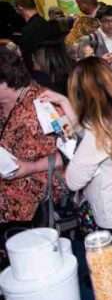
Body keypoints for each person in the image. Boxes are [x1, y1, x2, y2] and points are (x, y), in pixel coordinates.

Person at [37, 57, 112, 233]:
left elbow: (73, 181)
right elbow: (87, 133)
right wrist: (63, 102)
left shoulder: (103, 130)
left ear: (80, 95)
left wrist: (71, 153)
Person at [0, 47, 64, 223]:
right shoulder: (4, 104)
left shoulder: (45, 104)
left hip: (40, 181)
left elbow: (71, 151)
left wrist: (31, 167)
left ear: (5, 81)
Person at [13, 0, 55, 72]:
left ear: (20, 7)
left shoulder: (28, 29)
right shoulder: (45, 23)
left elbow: (27, 60)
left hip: (40, 73)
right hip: (52, 70)